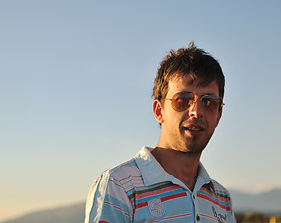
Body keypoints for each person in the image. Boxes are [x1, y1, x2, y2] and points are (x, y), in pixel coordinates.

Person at [84, 42, 236, 223]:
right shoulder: (119, 187)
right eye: (183, 100)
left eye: (209, 102)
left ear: (219, 115)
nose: (197, 111)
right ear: (159, 111)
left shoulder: (221, 198)